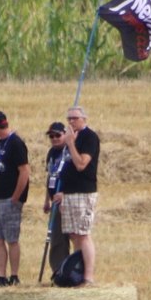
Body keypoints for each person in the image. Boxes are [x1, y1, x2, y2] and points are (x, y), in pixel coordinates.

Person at [53, 106, 100, 286]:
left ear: (84, 119)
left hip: (83, 192)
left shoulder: (89, 137)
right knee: (73, 234)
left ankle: (88, 277)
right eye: (69, 118)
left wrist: (71, 143)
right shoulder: (70, 137)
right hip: (69, 193)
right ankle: (76, 272)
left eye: (75, 118)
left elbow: (81, 164)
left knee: (83, 234)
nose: (71, 121)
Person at [0, 111, 30, 288]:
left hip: (9, 199)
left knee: (11, 239)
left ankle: (14, 275)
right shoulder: (0, 143)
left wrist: (16, 197)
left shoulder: (16, 143)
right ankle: (1, 276)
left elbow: (24, 172)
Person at [43, 121, 71, 274]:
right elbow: (50, 176)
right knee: (56, 238)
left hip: (68, 199)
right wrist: (46, 200)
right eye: (51, 136)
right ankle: (58, 271)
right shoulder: (51, 153)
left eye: (58, 135)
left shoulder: (70, 152)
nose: (54, 138)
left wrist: (66, 194)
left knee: (74, 236)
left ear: (65, 134)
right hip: (55, 200)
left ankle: (75, 269)